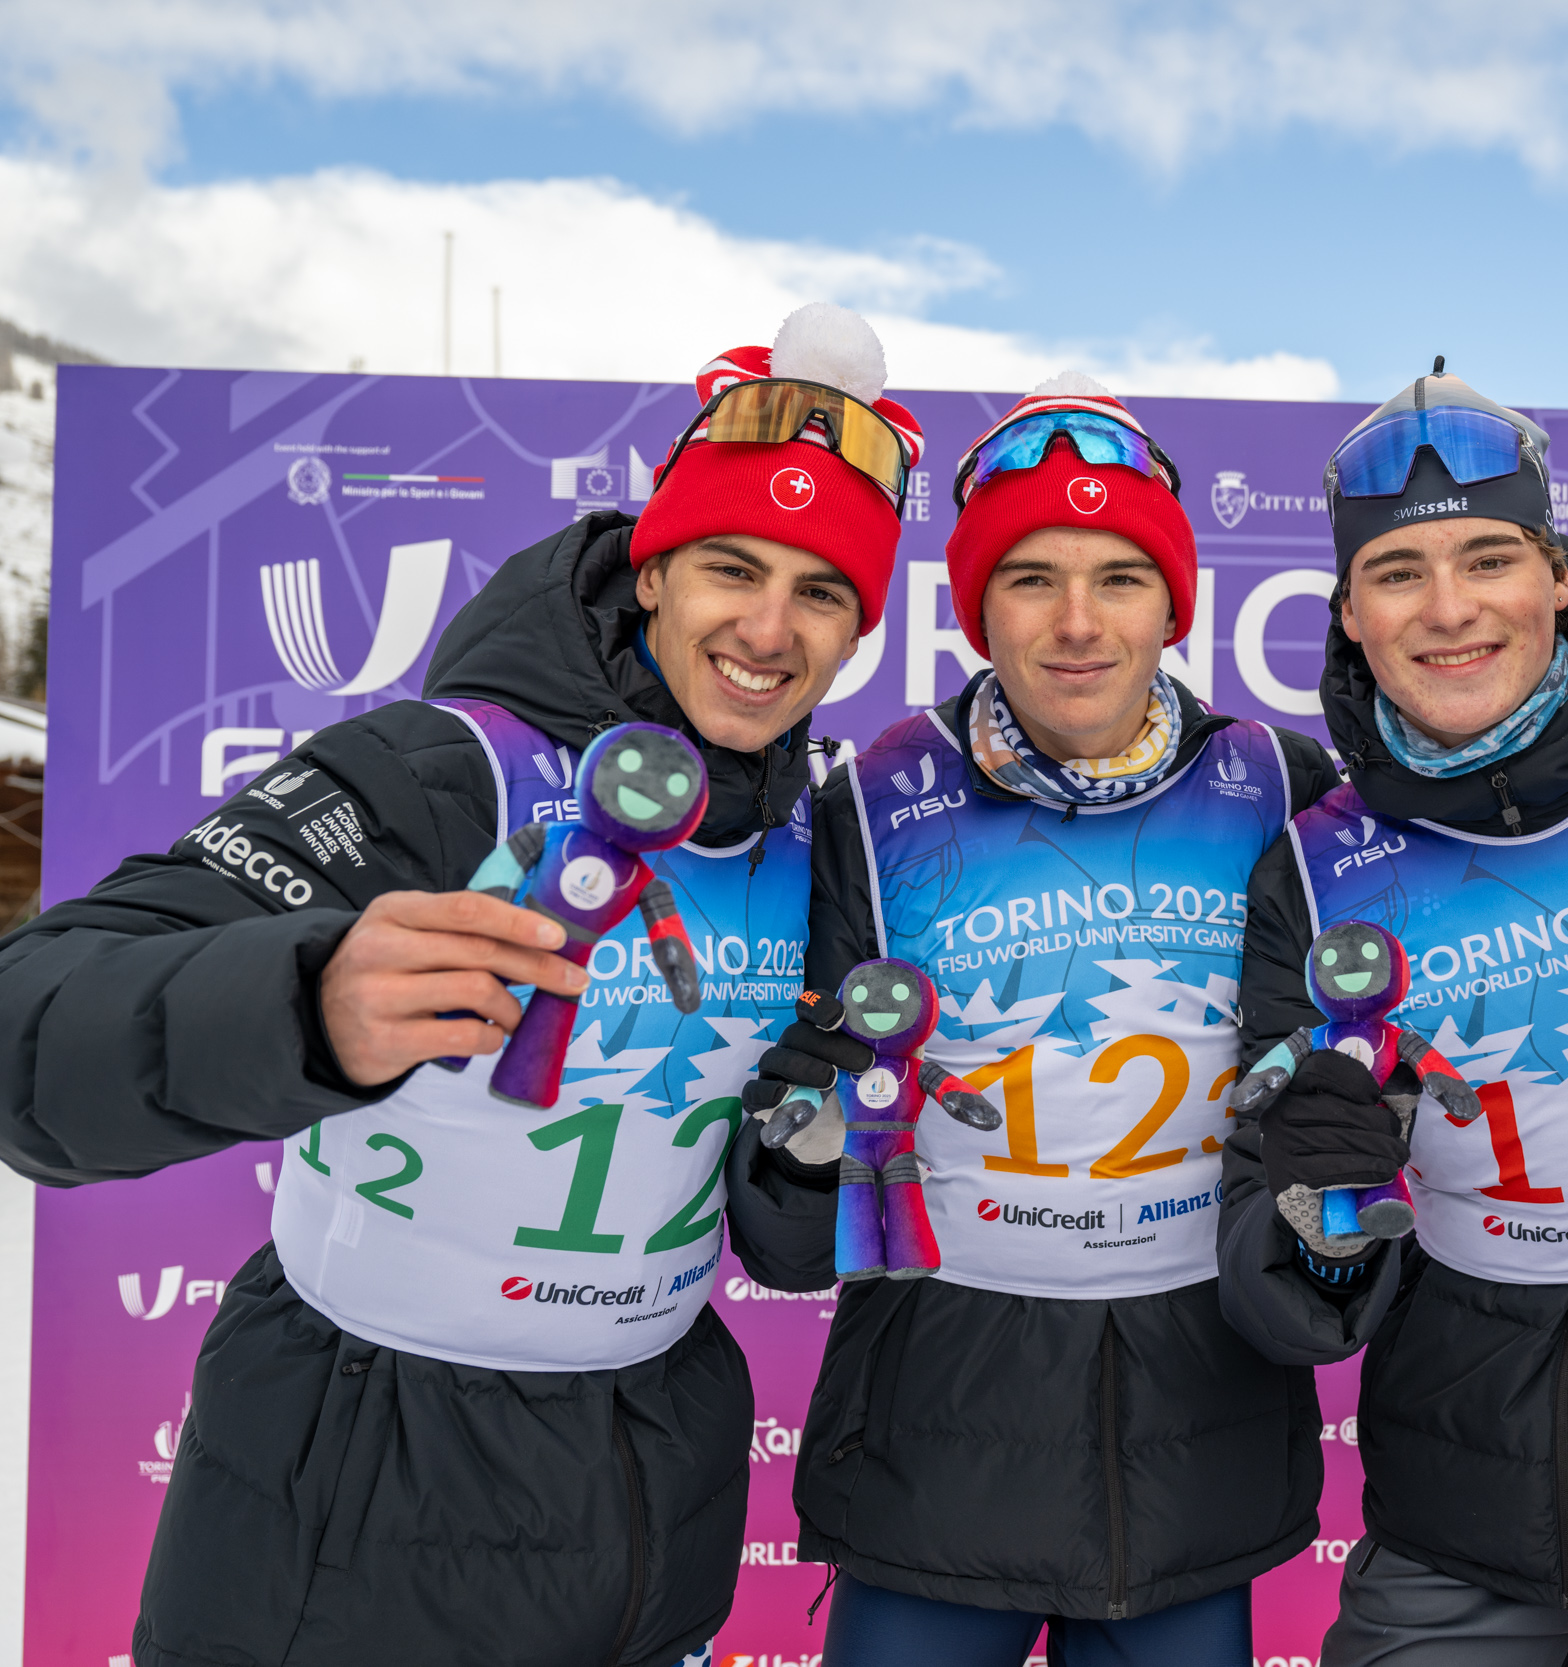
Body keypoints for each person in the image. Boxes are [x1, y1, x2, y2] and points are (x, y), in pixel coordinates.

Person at [0, 303, 921, 1666]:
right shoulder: (443, 773)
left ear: (857, 635)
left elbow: (786, 1251)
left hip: (647, 1496)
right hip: (358, 1474)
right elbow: (35, 1030)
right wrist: (307, 999)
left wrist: (813, 1159)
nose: (770, 629)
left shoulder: (816, 843)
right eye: (733, 567)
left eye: (823, 593)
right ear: (655, 570)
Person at [725, 374, 1344, 1663]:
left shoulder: (1283, 785)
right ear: (974, 610)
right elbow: (792, 1193)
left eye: (1120, 577)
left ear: (1173, 604)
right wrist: (796, 1143)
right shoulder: (867, 797)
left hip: (1196, 1446)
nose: (1077, 624)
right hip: (935, 1452)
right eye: (1030, 578)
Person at [1217, 366, 1568, 1666]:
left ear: (1555, 574)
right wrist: (1320, 1218)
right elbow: (1280, 1268)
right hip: (1465, 1512)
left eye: (1488, 556)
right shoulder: (1311, 869)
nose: (1450, 609)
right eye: (1399, 573)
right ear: (1351, 614)